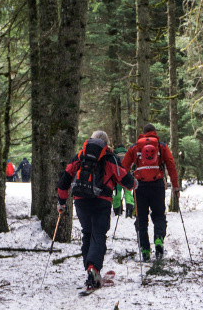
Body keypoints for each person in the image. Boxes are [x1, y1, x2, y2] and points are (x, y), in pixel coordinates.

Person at [57, 131, 137, 289]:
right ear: (106, 143)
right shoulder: (110, 158)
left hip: (80, 201)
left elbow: (65, 178)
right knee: (98, 234)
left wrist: (61, 201)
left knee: (87, 233)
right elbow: (123, 178)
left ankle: (89, 269)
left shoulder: (80, 156)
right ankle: (93, 269)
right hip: (102, 201)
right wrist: (134, 184)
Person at [121, 123, 179, 261]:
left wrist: (126, 184)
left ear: (143, 133)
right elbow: (171, 165)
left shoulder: (134, 147)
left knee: (141, 219)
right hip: (157, 185)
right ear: (154, 132)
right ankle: (158, 239)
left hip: (139, 186)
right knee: (159, 215)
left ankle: (145, 249)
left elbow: (123, 168)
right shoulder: (161, 146)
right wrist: (176, 186)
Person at [113, 145, 135, 218]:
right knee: (128, 194)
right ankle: (129, 212)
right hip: (127, 176)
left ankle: (117, 211)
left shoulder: (114, 154)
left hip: (118, 178)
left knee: (117, 194)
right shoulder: (128, 153)